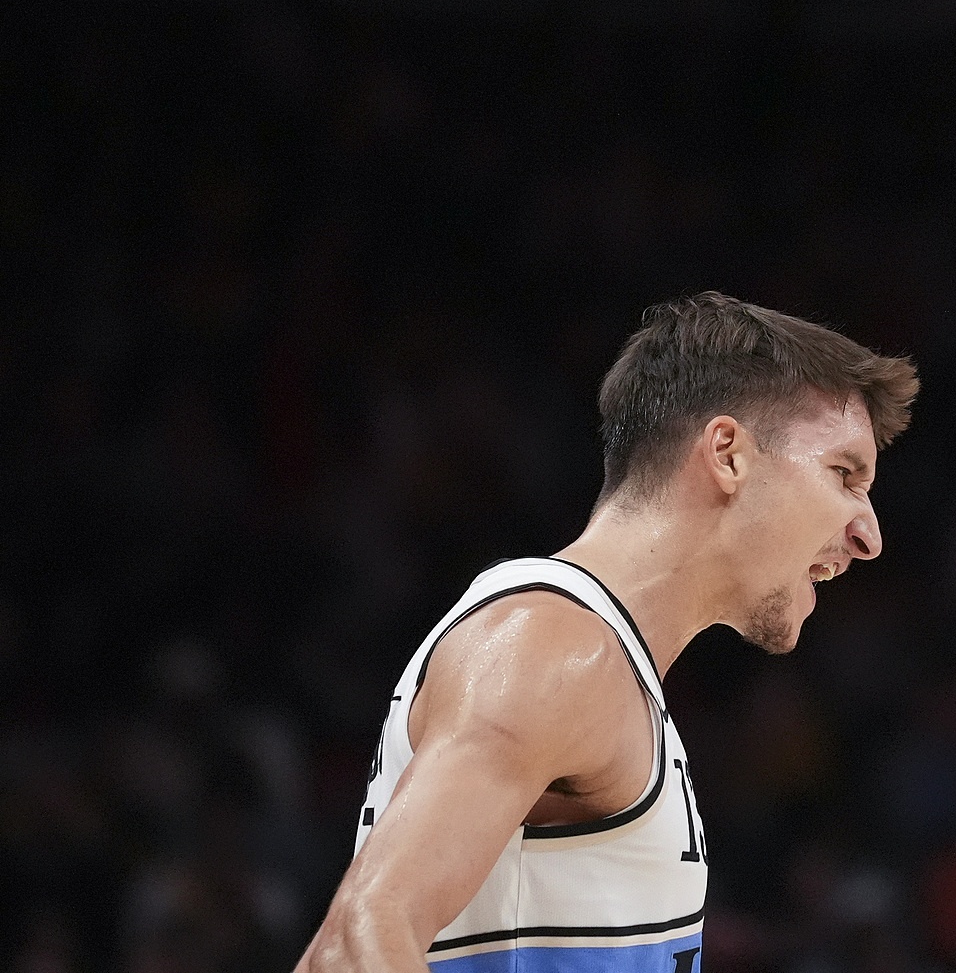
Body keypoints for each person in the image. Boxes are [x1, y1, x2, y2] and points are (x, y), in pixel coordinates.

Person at [295, 292, 918, 973]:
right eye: (843, 474)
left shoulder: (603, 663)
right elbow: (350, 949)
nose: (869, 535)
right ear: (728, 454)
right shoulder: (553, 646)